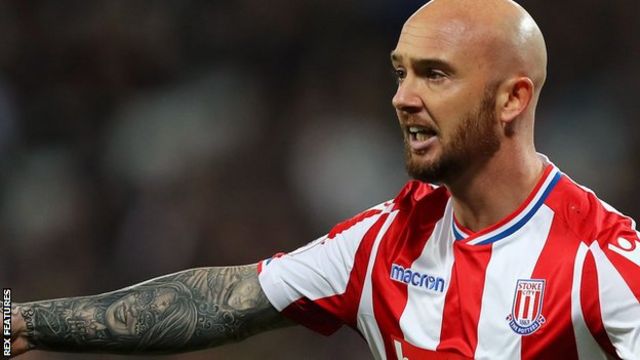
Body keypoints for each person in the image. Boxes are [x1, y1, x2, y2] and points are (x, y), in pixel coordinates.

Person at [10, 0, 640, 358]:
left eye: (435, 75)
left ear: (512, 100)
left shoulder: (602, 260)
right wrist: (20, 322)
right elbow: (214, 303)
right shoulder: (379, 246)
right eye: (401, 73)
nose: (402, 97)